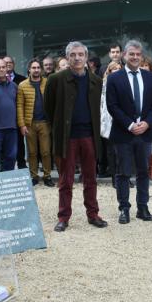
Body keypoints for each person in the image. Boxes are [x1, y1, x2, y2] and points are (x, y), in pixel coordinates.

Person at [44, 41, 107, 232]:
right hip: (67, 137)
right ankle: (63, 217)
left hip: (89, 136)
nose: (77, 58)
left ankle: (93, 214)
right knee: (65, 180)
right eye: (73, 54)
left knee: (91, 178)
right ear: (67, 57)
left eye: (81, 54)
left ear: (86, 57)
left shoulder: (96, 81)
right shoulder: (56, 79)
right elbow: (49, 108)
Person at [106, 40, 152, 224]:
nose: (135, 57)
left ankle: (143, 207)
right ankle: (124, 209)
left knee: (143, 172)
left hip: (145, 133)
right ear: (124, 56)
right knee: (123, 172)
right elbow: (112, 106)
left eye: (138, 54)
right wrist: (130, 125)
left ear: (141, 56)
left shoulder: (150, 77)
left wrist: (146, 123)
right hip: (123, 133)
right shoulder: (114, 78)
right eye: (132, 54)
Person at [17, 58, 54, 187]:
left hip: (45, 123)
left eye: (38, 67)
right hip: (30, 124)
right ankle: (33, 176)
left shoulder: (48, 82)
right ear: (29, 69)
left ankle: (47, 175)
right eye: (34, 68)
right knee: (32, 152)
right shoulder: (22, 85)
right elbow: (20, 106)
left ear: (41, 69)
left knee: (45, 151)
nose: (36, 70)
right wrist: (21, 125)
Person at [100, 61, 123, 185]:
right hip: (109, 120)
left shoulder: (126, 83)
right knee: (111, 151)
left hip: (123, 120)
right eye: (115, 69)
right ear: (109, 71)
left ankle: (124, 177)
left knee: (124, 151)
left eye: (119, 68)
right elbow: (102, 105)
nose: (117, 70)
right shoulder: (104, 84)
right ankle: (115, 178)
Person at [4, 56, 27, 170]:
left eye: (10, 62)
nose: (8, 64)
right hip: (3, 118)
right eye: (5, 62)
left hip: (18, 116)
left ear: (13, 64)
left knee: (19, 143)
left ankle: (21, 165)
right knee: (5, 143)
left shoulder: (22, 79)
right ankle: (7, 168)